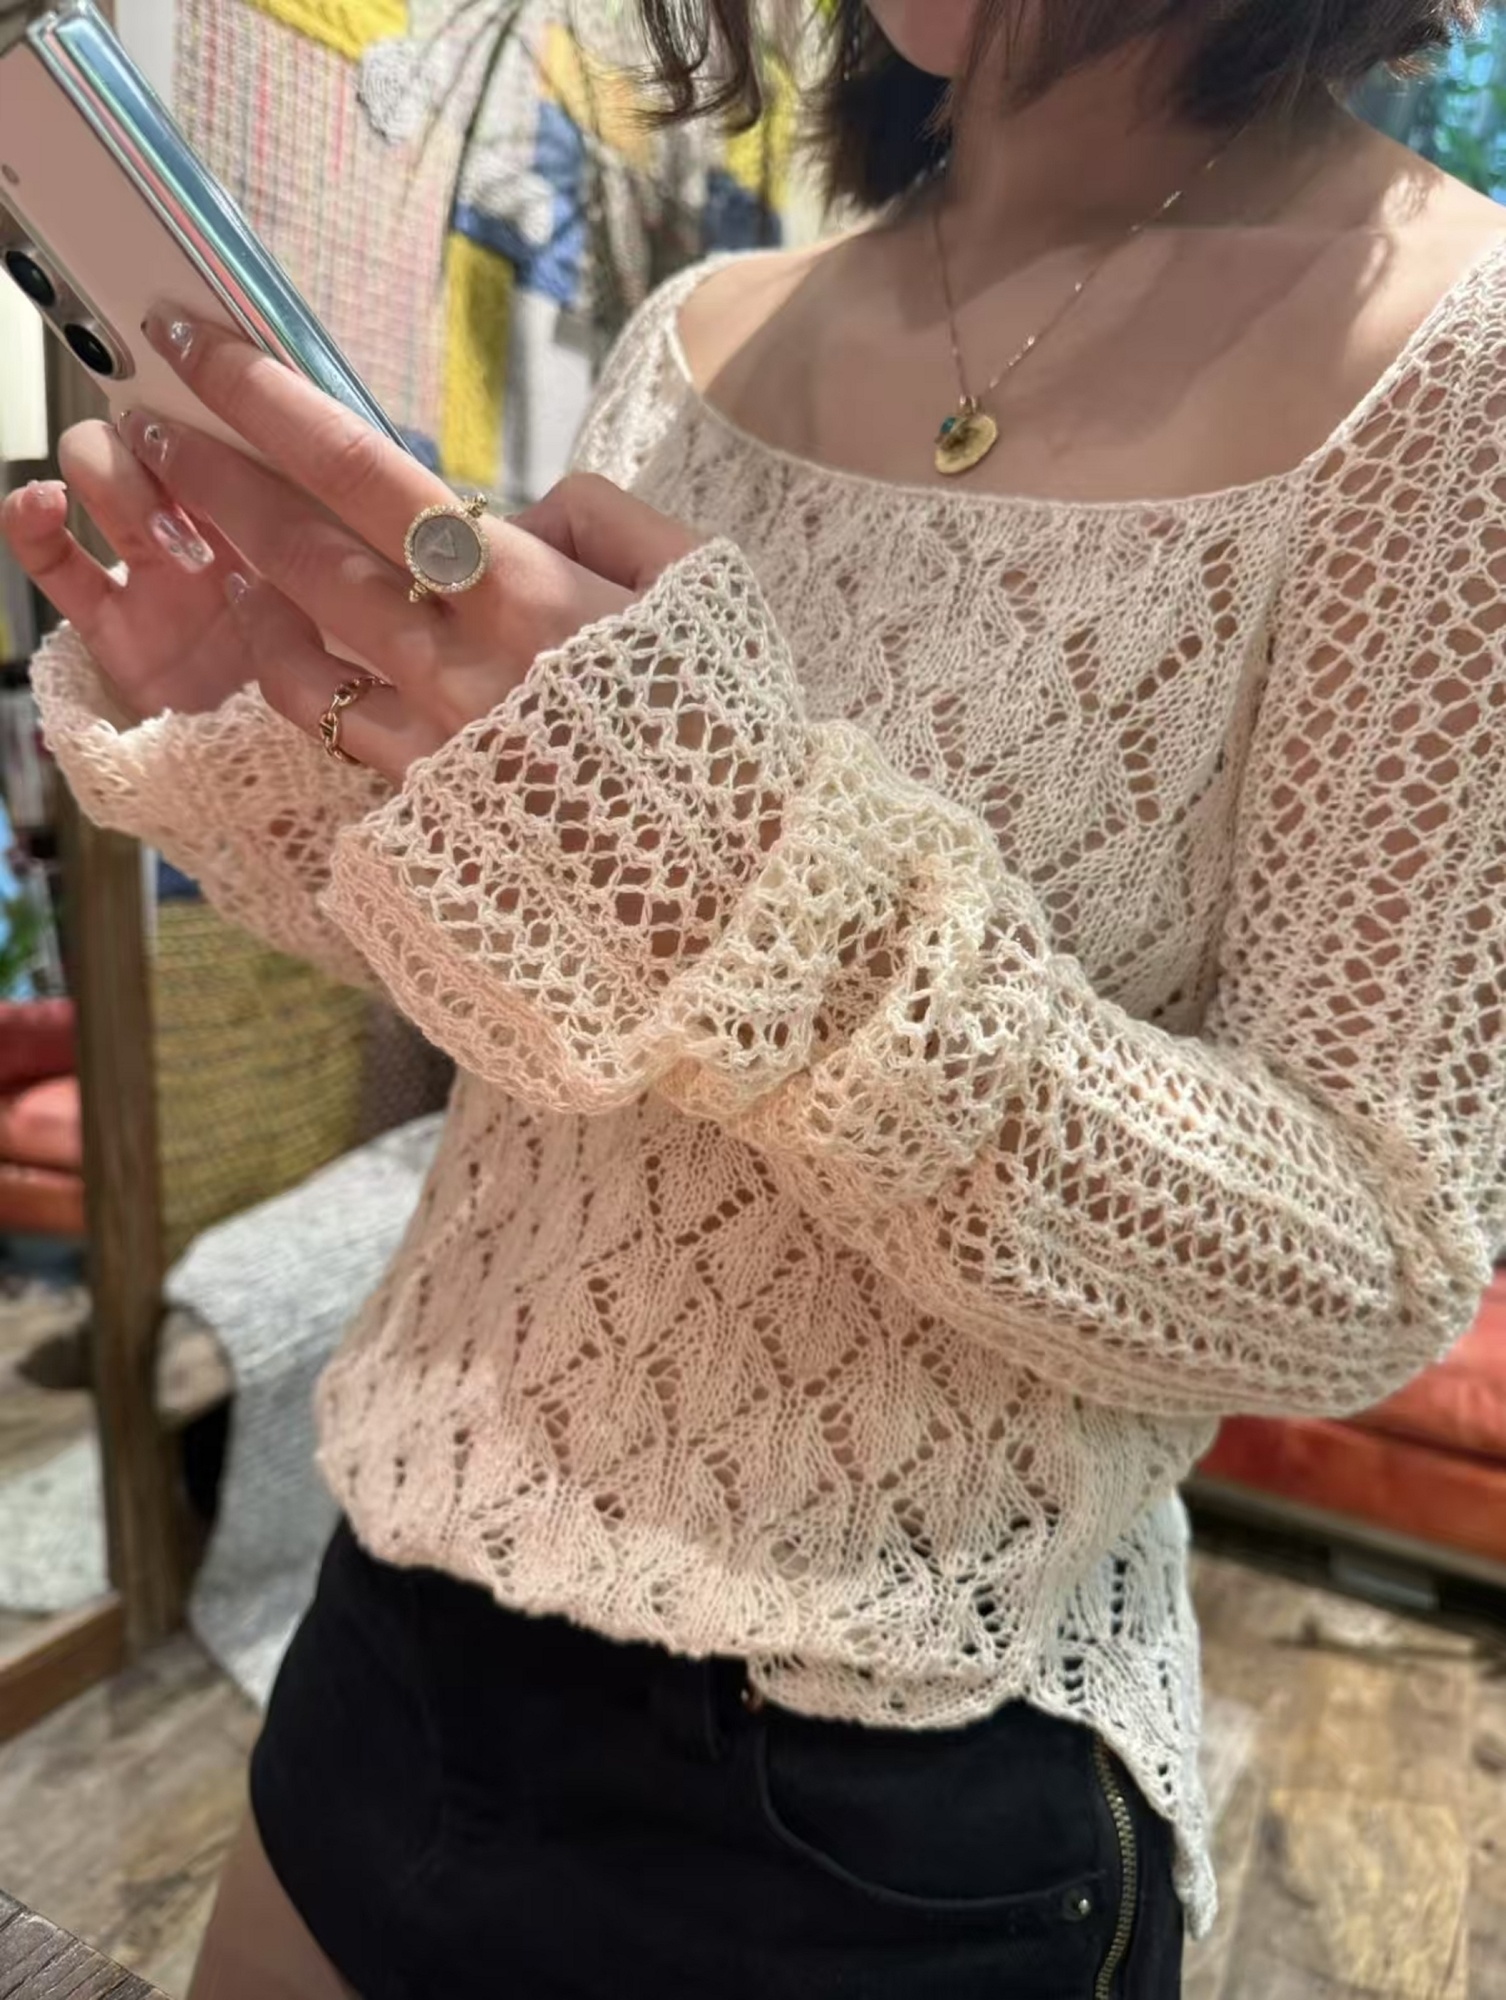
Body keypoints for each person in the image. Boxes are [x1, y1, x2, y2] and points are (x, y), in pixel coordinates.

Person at [6, 1, 1506, 1993]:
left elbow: (1372, 1258)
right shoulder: (695, 333)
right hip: (401, 1620)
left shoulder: (1456, 376)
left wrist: (776, 895)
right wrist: (284, 749)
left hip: (885, 1775)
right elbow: (548, 1031)